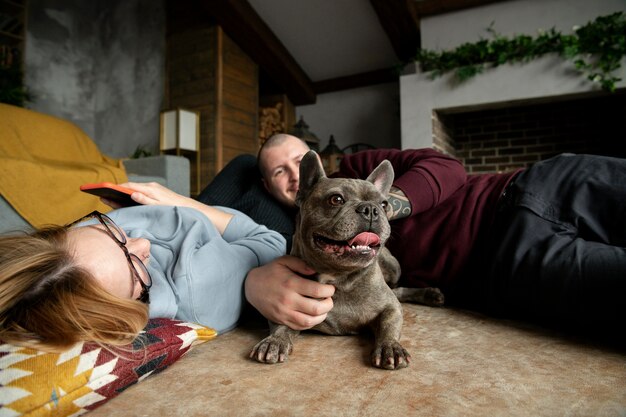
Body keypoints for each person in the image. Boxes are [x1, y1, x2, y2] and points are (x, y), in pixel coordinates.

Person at [207, 133, 626, 339]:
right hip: (504, 262)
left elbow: (447, 167)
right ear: (267, 186)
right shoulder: (288, 239)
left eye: (302, 159)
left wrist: (381, 207)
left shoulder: (361, 165)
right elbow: (224, 224)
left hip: (531, 186)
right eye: (280, 171)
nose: (296, 173)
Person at [0, 183, 286, 351]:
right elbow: (271, 242)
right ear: (126, 306)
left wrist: (137, 204)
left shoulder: (68, 256)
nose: (143, 243)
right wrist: (185, 203)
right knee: (257, 175)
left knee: (253, 164)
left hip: (190, 208)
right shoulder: (198, 290)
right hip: (235, 222)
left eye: (115, 233)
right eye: (134, 264)